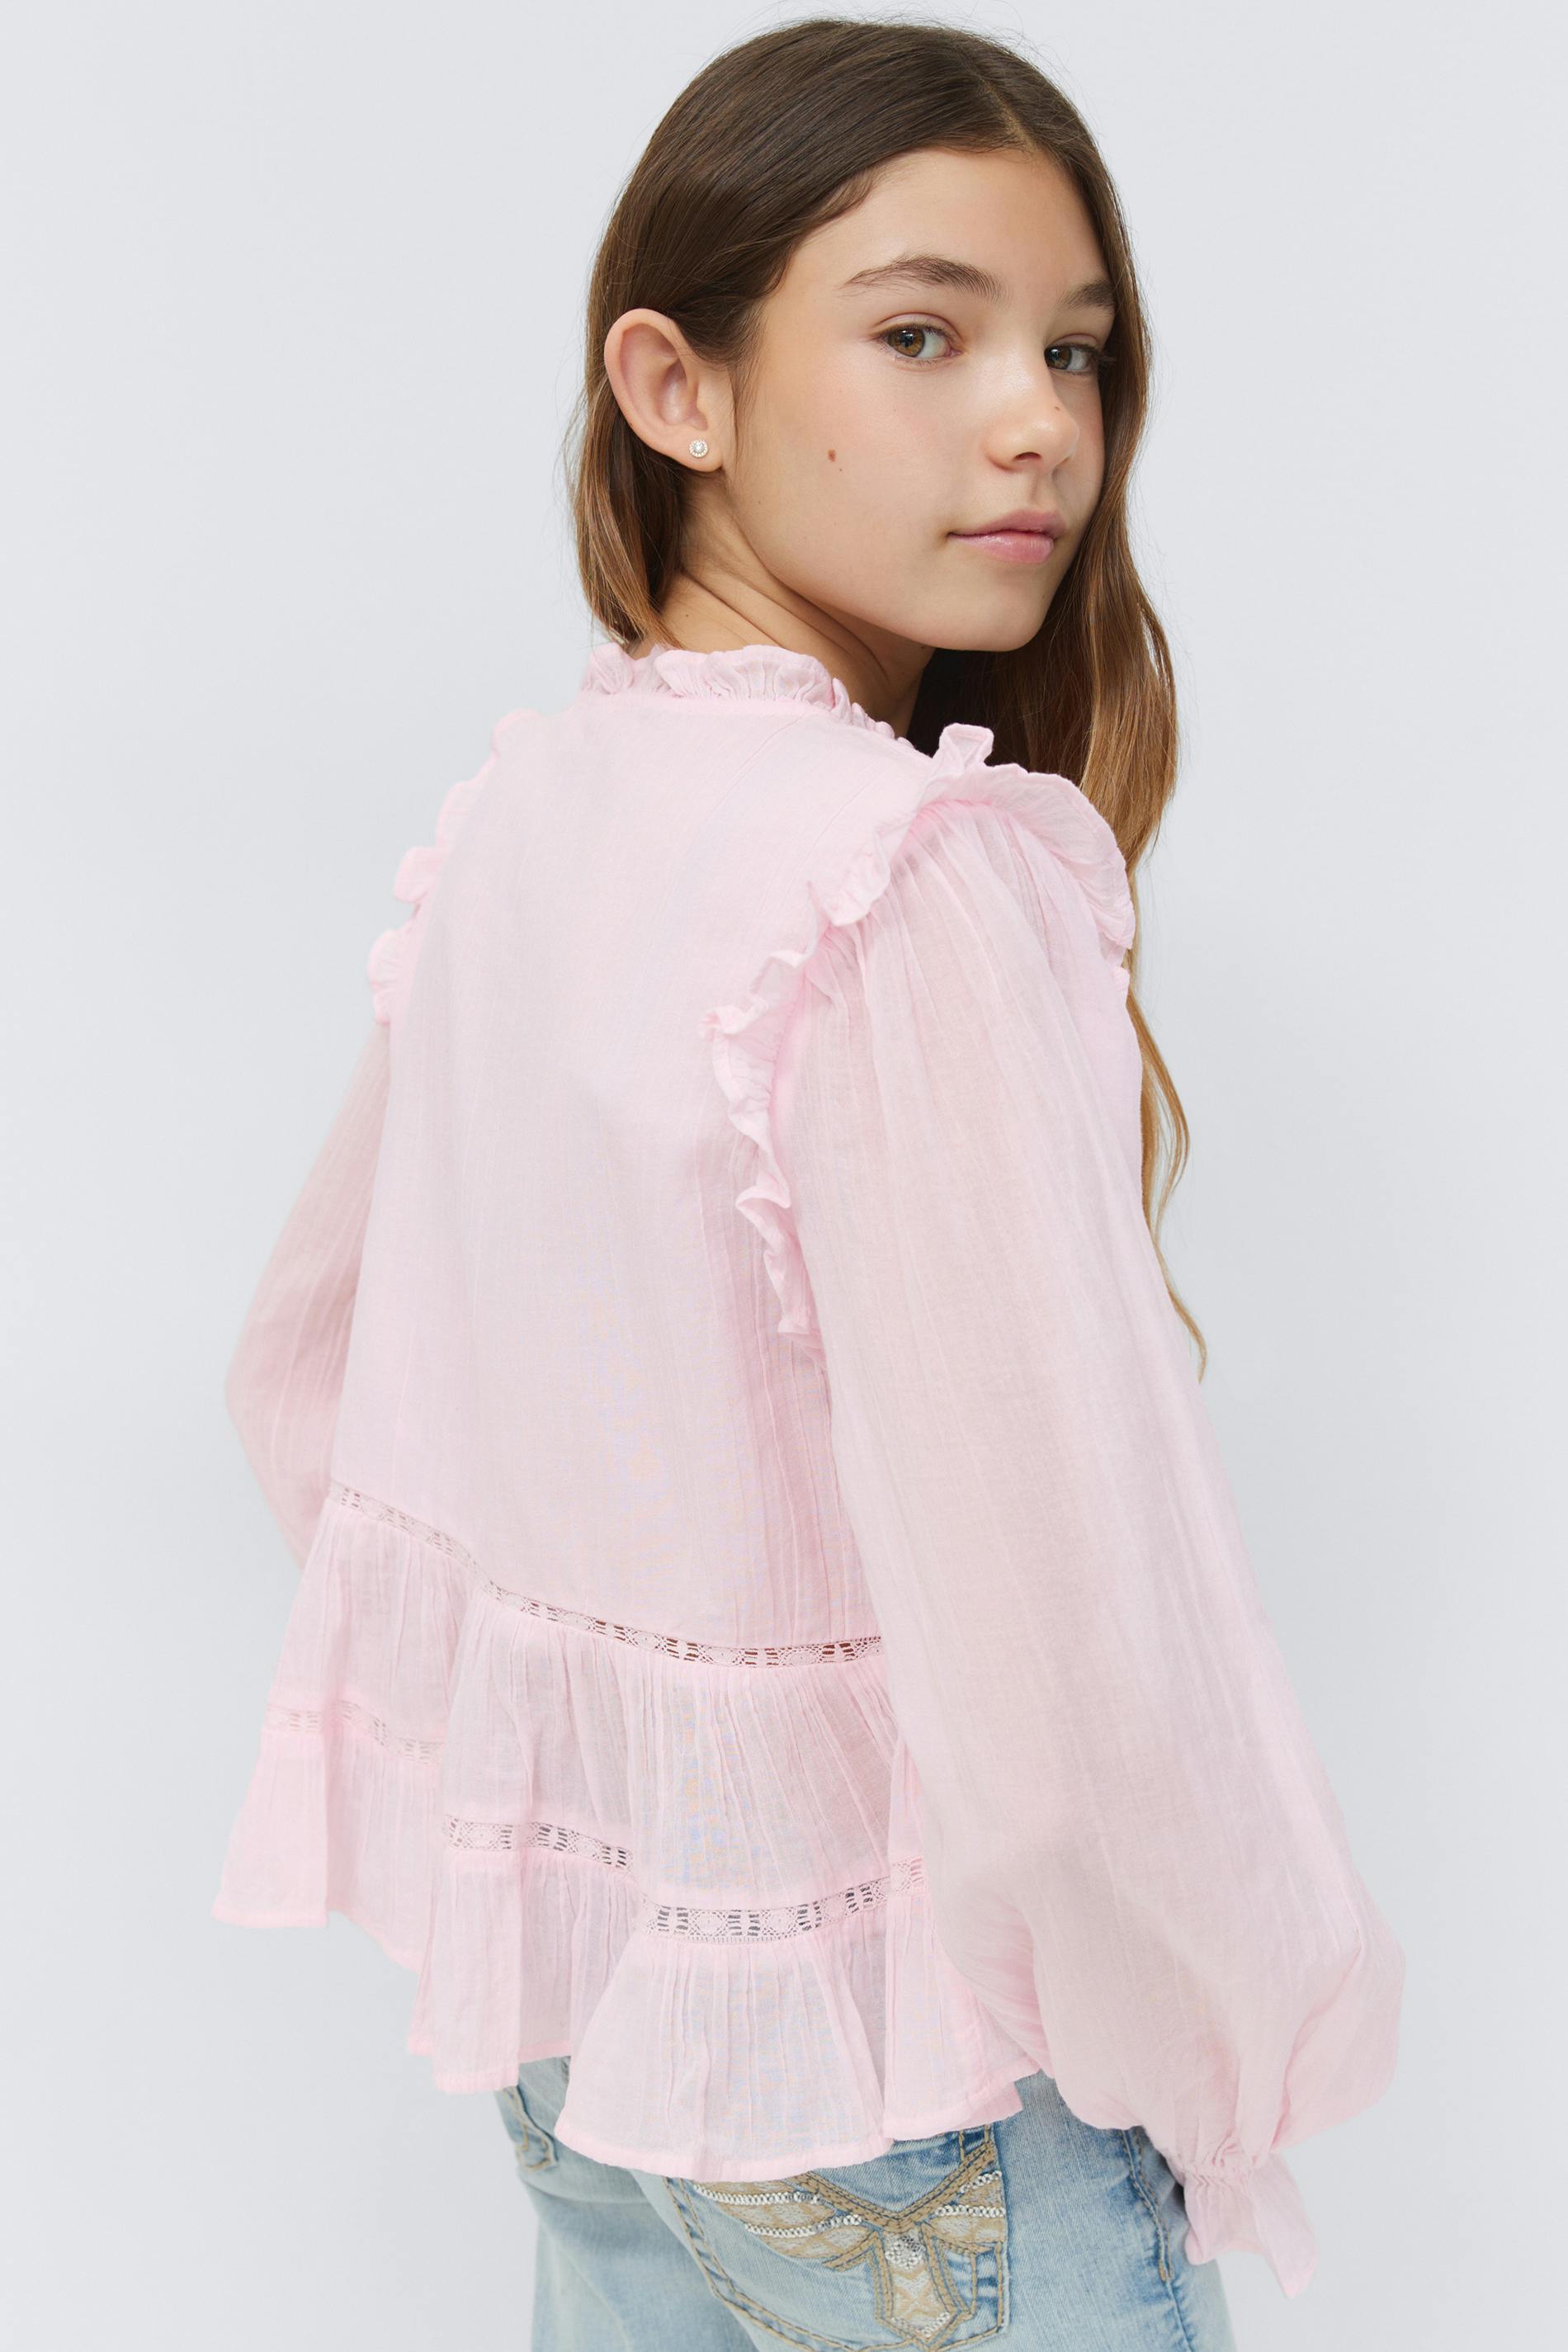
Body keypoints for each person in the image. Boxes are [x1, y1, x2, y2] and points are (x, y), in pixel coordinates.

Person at [211, 20, 1405, 2347]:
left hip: (603, 2029)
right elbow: (1066, 1673)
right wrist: (1225, 2050)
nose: (1040, 422)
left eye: (1076, 348)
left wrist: (573, 1802)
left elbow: (304, 1383)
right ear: (676, 388)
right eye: (924, 335)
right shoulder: (900, 879)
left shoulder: (527, 817)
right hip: (916, 2077)